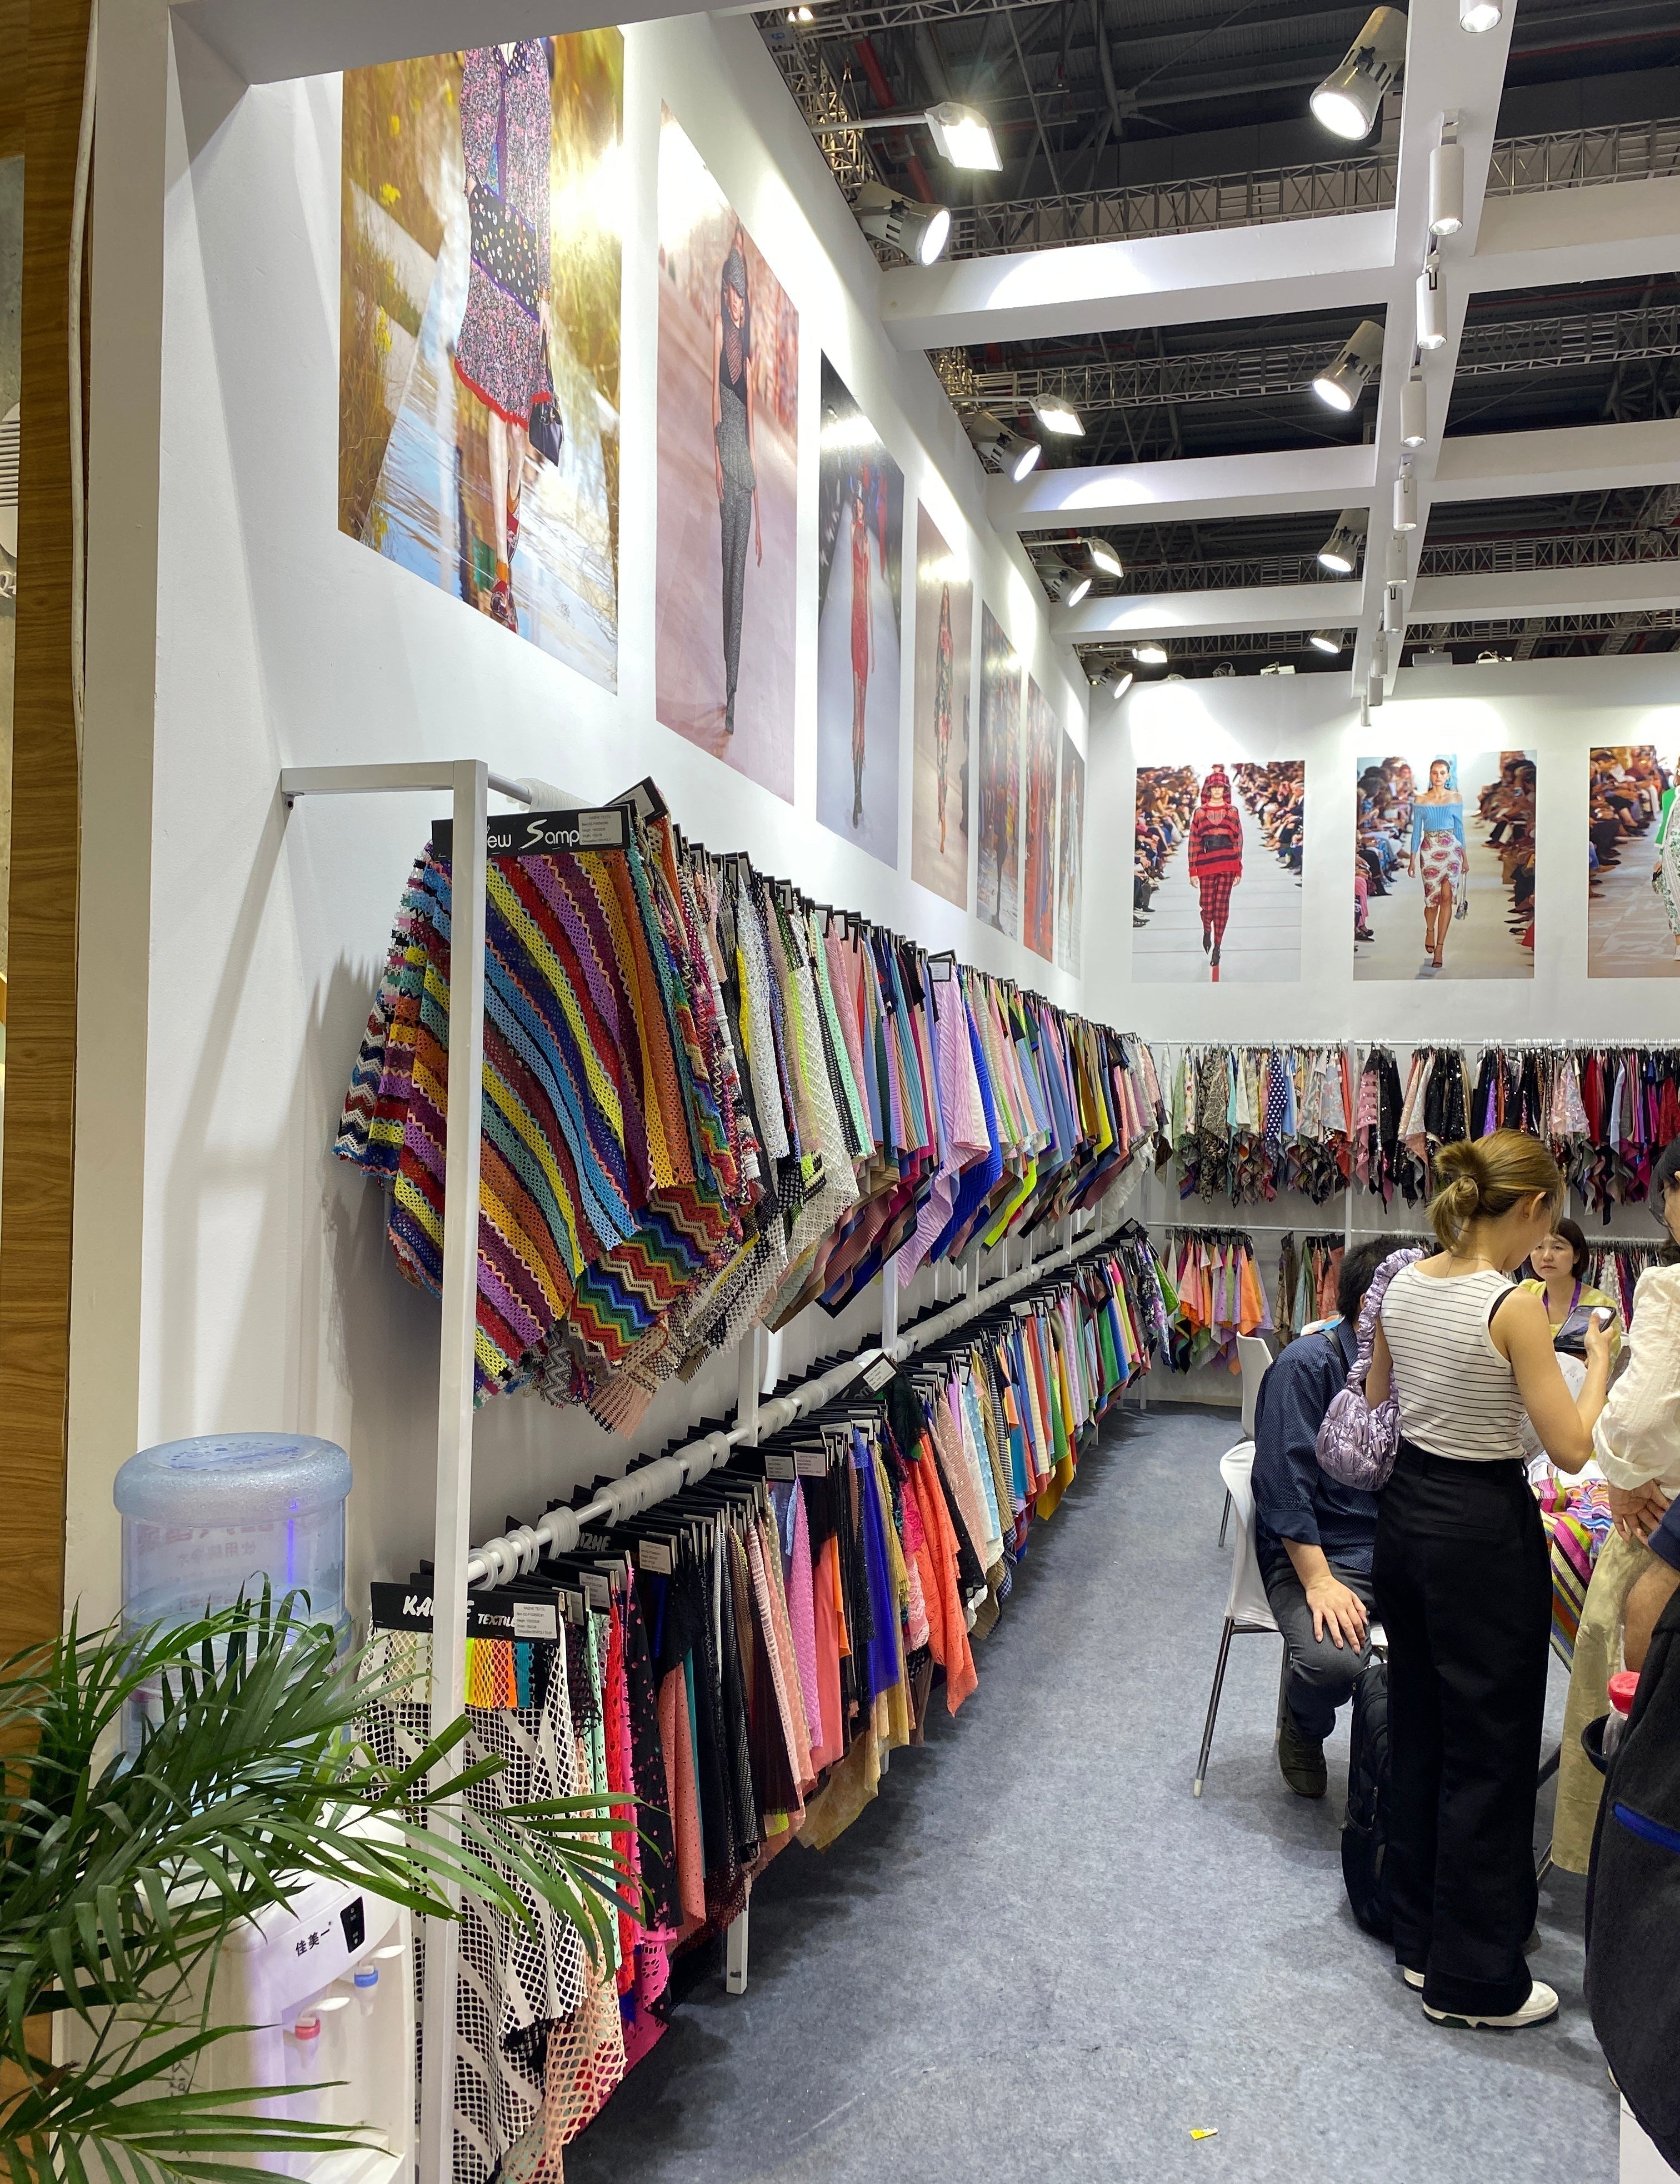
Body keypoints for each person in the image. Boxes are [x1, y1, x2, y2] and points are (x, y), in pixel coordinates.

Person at [1366, 1131, 1614, 2030]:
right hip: (1476, 1527)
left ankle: (1417, 1935)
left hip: (1406, 1515)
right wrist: (1602, 1368)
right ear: (1531, 1209)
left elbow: (1380, 1392)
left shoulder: (1401, 1282)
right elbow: (1572, 1446)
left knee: (1425, 1725)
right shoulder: (1508, 1306)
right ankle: (1471, 1981)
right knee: (1488, 1746)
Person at [1550, 1135, 1680, 1868]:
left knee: (1626, 1695)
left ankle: (1610, 1860)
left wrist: (1622, 1467)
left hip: (1657, 1521)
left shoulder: (1667, 1285)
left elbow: (1629, 1420)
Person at [1252, 1240, 1390, 1798]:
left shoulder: (1409, 1370)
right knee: (1332, 1663)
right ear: (1369, 1308)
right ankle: (1303, 1726)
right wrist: (1318, 1581)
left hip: (1391, 1544)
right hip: (1315, 1550)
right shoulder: (1307, 1365)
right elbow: (1283, 1487)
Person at [454, 42, 557, 637]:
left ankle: (512, 515)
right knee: (497, 401)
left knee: (517, 412)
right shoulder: (481, 44)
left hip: (523, 238)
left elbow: (542, 172)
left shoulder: (537, 58)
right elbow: (469, 108)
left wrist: (543, 283)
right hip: (489, 226)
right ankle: (501, 576)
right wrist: (470, 180)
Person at [713, 232, 762, 738]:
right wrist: (716, 466)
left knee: (739, 585)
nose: (736, 298)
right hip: (728, 468)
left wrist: (762, 512)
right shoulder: (721, 334)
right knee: (727, 579)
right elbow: (716, 404)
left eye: (741, 291)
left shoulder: (748, 352)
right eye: (731, 289)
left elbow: (754, 427)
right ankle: (728, 675)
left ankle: (732, 691)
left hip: (745, 476)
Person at [1519, 1216, 1622, 1356]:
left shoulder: (1600, 1307)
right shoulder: (1526, 1294)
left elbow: (1607, 1365)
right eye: (1538, 1247)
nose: (1547, 1256)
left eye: (1557, 1247)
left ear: (1576, 1256)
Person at [1407, 757, 1467, 972]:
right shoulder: (1421, 800)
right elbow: (1416, 832)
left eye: (1443, 773)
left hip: (1452, 848)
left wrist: (1465, 858)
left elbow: (1460, 829)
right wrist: (1412, 859)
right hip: (1429, 850)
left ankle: (1440, 947)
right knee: (1432, 900)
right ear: (1430, 775)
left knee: (1447, 897)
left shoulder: (1457, 798)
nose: (1439, 776)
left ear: (1448, 775)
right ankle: (1430, 929)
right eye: (1435, 773)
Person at [1187, 767, 1243, 975]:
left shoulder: (1232, 811)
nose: (1218, 790)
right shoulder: (1200, 813)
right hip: (1206, 862)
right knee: (1206, 904)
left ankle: (1218, 946)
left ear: (1225, 789)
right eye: (1214, 787)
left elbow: (1238, 839)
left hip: (1228, 862)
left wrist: (1239, 868)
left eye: (1221, 787)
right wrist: (1193, 870)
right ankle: (1207, 930)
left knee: (1222, 906)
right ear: (1209, 790)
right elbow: (1194, 841)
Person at [849, 476, 873, 826]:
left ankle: (859, 791)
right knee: (857, 716)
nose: (858, 512)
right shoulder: (856, 535)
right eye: (855, 507)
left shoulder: (864, 537)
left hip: (864, 628)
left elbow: (866, 589)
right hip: (856, 628)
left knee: (862, 716)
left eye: (860, 507)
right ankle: (856, 791)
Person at [933, 582, 954, 853]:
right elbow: (940, 674)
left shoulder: (951, 639)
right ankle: (941, 819)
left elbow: (949, 683)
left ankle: (943, 821)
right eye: (945, 602)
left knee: (945, 766)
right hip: (941, 711)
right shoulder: (941, 636)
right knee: (941, 766)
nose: (947, 606)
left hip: (946, 713)